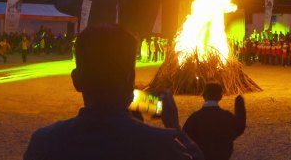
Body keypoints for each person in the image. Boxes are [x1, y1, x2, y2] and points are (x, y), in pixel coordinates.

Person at [24, 25, 203, 160]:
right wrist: (175, 128)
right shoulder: (162, 146)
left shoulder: (44, 143)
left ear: (76, 80)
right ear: (130, 79)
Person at [183, 83, 246, 160]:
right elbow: (239, 127)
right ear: (220, 97)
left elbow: (184, 137)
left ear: (203, 96)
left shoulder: (194, 118)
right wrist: (240, 108)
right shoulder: (226, 117)